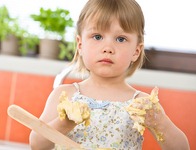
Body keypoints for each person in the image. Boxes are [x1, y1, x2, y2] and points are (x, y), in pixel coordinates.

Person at [29, 0, 190, 149]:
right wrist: (64, 123)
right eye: (97, 37)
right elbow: (37, 144)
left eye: (120, 39)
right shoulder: (65, 96)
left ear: (136, 51)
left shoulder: (141, 104)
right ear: (80, 45)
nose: (108, 47)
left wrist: (160, 123)